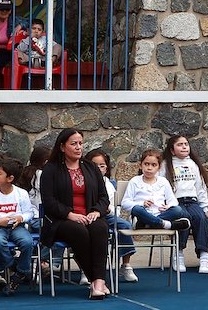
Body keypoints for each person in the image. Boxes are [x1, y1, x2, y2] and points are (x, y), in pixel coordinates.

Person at [38, 128, 110, 298]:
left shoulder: (91, 167)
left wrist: (96, 211)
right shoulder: (50, 169)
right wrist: (70, 214)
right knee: (79, 231)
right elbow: (48, 201)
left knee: (100, 228)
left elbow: (103, 197)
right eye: (73, 144)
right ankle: (96, 280)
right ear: (62, 147)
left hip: (90, 216)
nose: (78, 147)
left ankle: (98, 282)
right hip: (61, 220)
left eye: (80, 143)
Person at [0, 156, 37, 296]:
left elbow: (29, 213)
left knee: (27, 242)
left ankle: (19, 273)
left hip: (17, 227)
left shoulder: (21, 193)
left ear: (10, 178)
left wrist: (20, 218)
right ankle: (15, 267)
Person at [162, 134, 208, 273]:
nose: (184, 147)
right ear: (172, 150)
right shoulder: (165, 165)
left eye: (186, 144)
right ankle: (178, 254)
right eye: (180, 145)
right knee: (183, 218)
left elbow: (200, 188)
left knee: (201, 218)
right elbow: (160, 186)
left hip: (192, 201)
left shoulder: (193, 165)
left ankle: (204, 256)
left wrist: (205, 208)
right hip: (175, 203)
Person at [86, 149, 135, 283]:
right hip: (88, 216)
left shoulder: (108, 184)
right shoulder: (84, 181)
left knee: (125, 225)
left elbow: (116, 207)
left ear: (106, 168)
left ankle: (125, 264)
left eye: (102, 166)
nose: (99, 169)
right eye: (95, 165)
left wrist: (109, 211)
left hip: (107, 216)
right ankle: (86, 269)